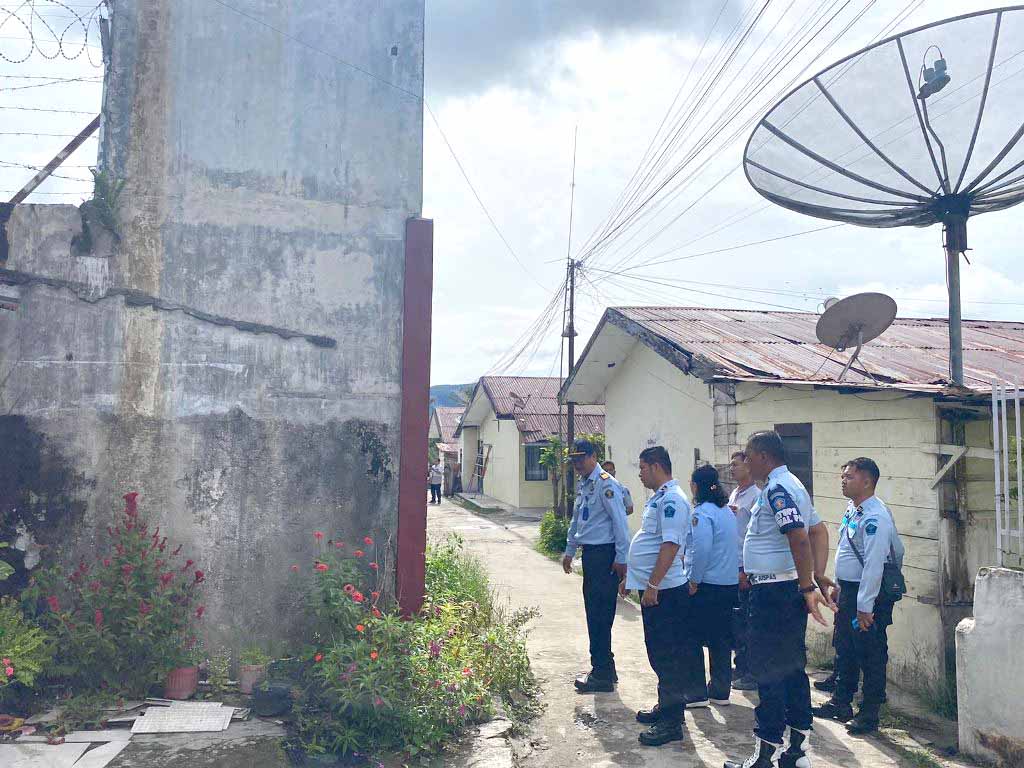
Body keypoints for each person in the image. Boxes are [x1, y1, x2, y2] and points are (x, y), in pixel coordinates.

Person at [724, 431, 835, 768]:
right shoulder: (792, 484)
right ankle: (798, 751)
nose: (744, 461)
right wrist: (815, 575)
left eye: (747, 454)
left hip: (773, 594)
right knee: (791, 668)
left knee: (768, 672)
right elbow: (818, 530)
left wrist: (807, 586)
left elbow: (800, 538)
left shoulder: (777, 488)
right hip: (784, 590)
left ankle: (765, 754)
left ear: (761, 455)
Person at [812, 458, 904, 735]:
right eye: (843, 476)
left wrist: (865, 606)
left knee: (870, 653)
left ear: (867, 481)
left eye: (849, 477)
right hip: (849, 591)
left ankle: (869, 713)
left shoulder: (876, 516)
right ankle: (841, 702)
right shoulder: (854, 509)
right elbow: (850, 553)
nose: (843, 480)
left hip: (868, 597)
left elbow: (877, 564)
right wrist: (840, 586)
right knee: (845, 646)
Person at [623, 446, 702, 746]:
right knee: (658, 652)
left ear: (656, 467)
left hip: (666, 592)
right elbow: (652, 543)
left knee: (668, 655)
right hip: (656, 589)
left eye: (642, 467)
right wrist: (634, 579)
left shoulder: (672, 500)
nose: (640, 473)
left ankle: (672, 722)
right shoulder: (660, 498)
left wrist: (653, 585)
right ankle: (667, 707)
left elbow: (670, 545)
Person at [562, 439, 630, 693]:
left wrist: (622, 559)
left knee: (600, 615)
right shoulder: (586, 484)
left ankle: (601, 673)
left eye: (581, 459)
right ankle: (606, 668)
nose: (577, 464)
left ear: (593, 456)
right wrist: (570, 550)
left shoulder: (606, 484)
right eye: (574, 460)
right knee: (595, 614)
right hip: (591, 554)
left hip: (605, 556)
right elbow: (578, 519)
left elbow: (620, 524)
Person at [685, 464, 739, 706]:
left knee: (693, 636)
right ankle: (720, 690)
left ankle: (696, 692)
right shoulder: (725, 510)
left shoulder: (702, 513)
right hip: (727, 584)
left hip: (707, 584)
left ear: (696, 486)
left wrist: (693, 580)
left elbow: (701, 550)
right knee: (721, 639)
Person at [728, 450, 760, 691]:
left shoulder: (756, 497)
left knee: (748, 621)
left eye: (736, 464)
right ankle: (739, 666)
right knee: (737, 620)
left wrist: (745, 570)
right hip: (731, 564)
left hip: (744, 566)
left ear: (749, 467)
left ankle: (750, 671)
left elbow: (753, 536)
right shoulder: (735, 493)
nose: (732, 468)